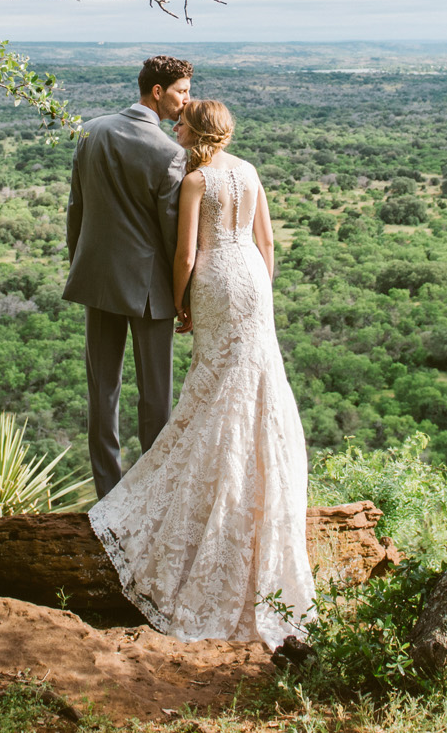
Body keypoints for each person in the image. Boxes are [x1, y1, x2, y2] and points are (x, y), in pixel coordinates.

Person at [87, 99, 314, 647]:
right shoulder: (250, 172)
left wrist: (183, 303)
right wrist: (265, 291)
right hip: (254, 283)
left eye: (183, 123)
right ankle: (256, 484)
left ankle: (210, 493)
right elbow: (266, 241)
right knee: (255, 382)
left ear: (199, 132)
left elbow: (186, 253)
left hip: (214, 279)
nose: (176, 127)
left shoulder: (197, 180)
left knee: (213, 384)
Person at [63, 55, 192, 499]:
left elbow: (75, 210)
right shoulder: (170, 153)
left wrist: (81, 262)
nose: (185, 101)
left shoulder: (91, 131)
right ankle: (152, 494)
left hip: (96, 278)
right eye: (182, 92)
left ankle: (108, 495)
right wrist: (183, 296)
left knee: (103, 391)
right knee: (156, 396)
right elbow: (174, 237)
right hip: (149, 288)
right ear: (157, 92)